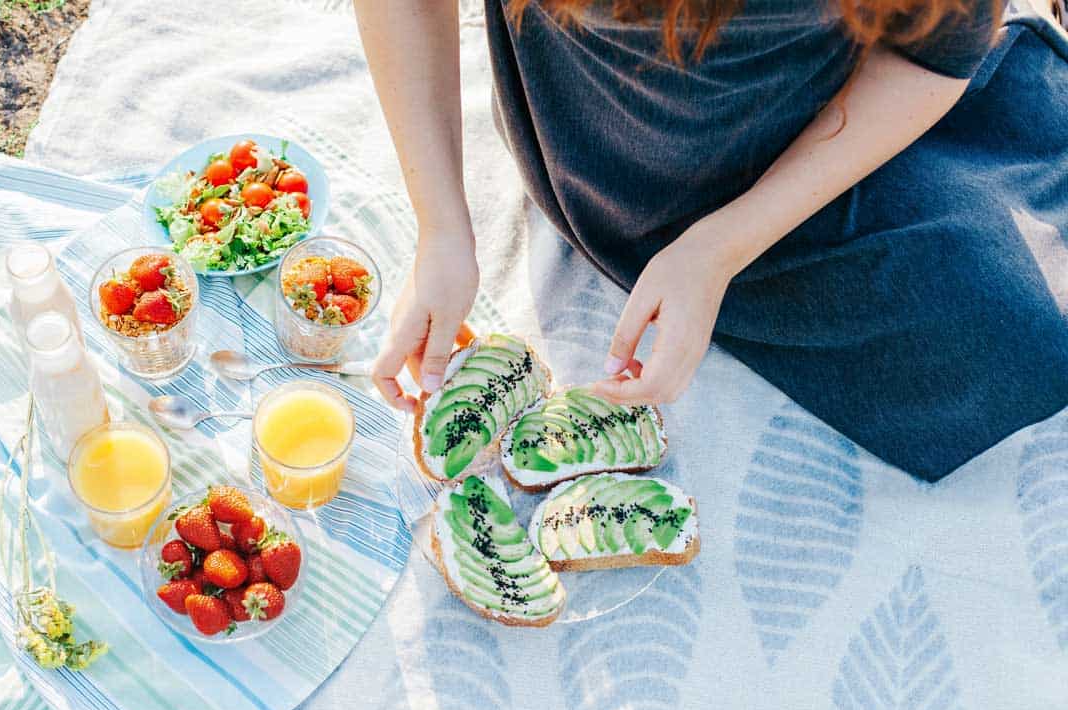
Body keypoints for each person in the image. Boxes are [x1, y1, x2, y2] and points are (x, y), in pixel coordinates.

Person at [353, 0, 1068, 481]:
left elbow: (931, 55)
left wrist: (721, 247)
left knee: (1020, 349)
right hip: (585, 126)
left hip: (807, 130)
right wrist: (442, 228)